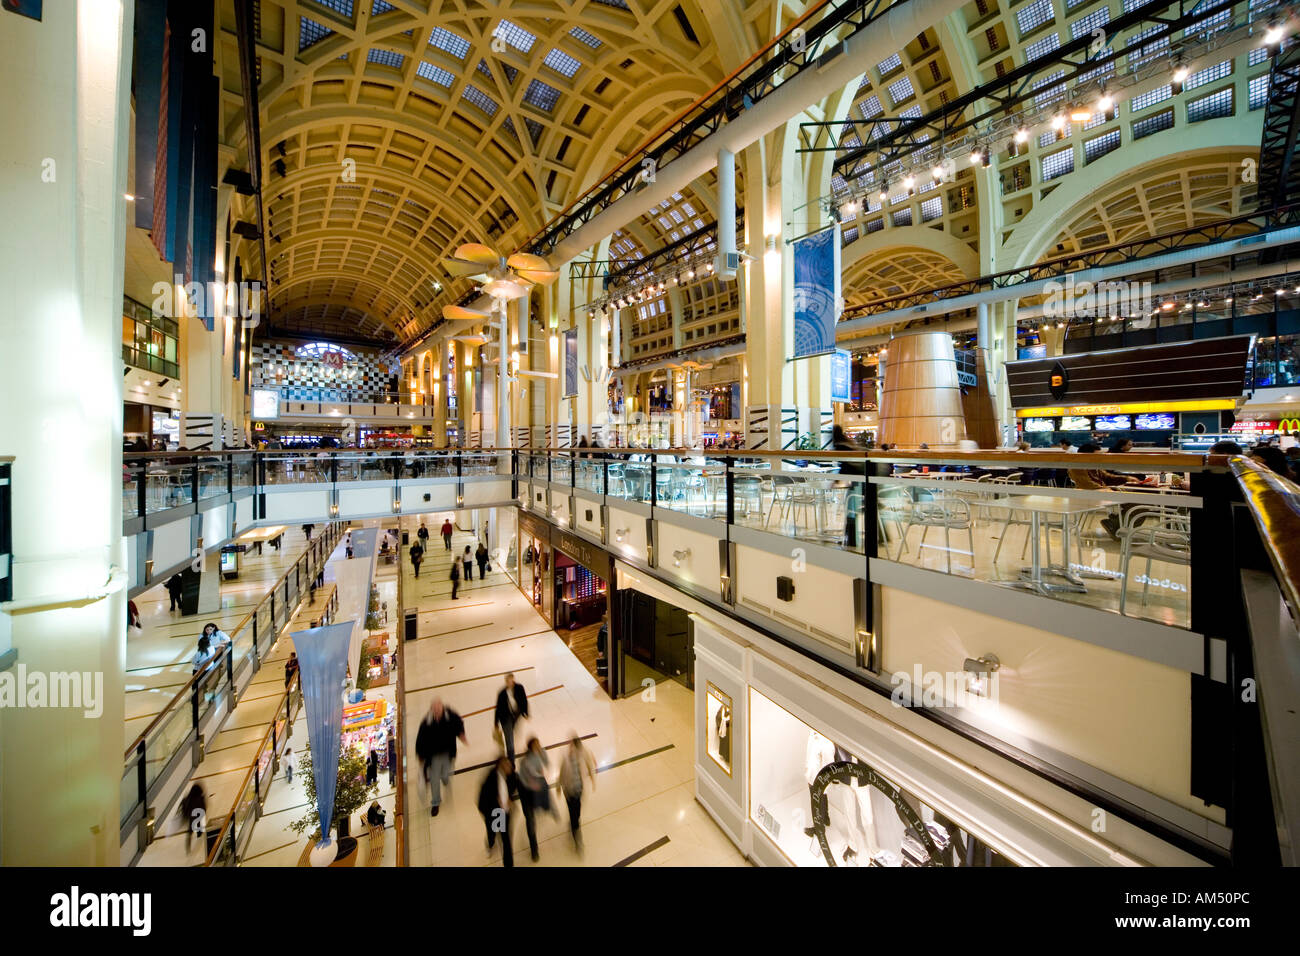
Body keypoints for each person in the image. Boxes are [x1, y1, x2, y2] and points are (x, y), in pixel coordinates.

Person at [414, 698, 465, 816]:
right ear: (431, 710)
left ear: (442, 708)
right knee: (434, 779)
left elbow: (459, 723)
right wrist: (420, 756)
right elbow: (420, 740)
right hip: (433, 756)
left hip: (448, 753)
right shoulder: (426, 722)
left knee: (446, 774)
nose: (437, 712)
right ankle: (436, 802)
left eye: (439, 709)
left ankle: (446, 779)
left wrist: (461, 734)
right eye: (435, 710)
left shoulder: (450, 716)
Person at [517, 736, 553, 861]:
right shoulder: (525, 762)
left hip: (535, 791)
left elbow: (547, 764)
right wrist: (532, 783)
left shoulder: (541, 753)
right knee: (530, 821)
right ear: (531, 747)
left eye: (539, 744)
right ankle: (534, 850)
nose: (539, 746)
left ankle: (545, 806)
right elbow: (522, 779)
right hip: (526, 794)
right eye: (536, 745)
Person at [478, 756, 519, 867]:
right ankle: (490, 844)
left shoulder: (512, 776)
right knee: (492, 832)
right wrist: (496, 802)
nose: (510, 767)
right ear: (500, 766)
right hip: (494, 812)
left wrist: (510, 799)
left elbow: (514, 786)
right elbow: (482, 800)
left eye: (509, 765)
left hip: (505, 813)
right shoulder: (490, 778)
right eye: (507, 765)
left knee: (506, 841)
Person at [558, 735, 596, 851]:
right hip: (569, 792)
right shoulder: (566, 758)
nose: (571, 749)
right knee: (574, 817)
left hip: (578, 790)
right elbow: (561, 772)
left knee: (577, 813)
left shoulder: (582, 752)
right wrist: (559, 787)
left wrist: (592, 778)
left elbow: (589, 763)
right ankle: (577, 840)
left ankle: (574, 823)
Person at [494, 672, 530, 763]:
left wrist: (526, 713)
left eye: (510, 681)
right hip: (505, 718)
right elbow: (498, 708)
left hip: (516, 715)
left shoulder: (519, 688)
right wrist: (496, 723)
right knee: (509, 741)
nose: (509, 683)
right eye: (507, 681)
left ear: (513, 680)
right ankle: (511, 761)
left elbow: (524, 700)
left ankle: (508, 735)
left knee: (511, 731)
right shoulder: (502, 693)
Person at [179, 783, 207, 854]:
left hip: (191, 817)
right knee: (198, 827)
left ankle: (188, 848)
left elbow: (183, 808)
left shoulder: (187, 798)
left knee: (190, 832)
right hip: (198, 816)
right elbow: (203, 808)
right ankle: (199, 835)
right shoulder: (199, 798)